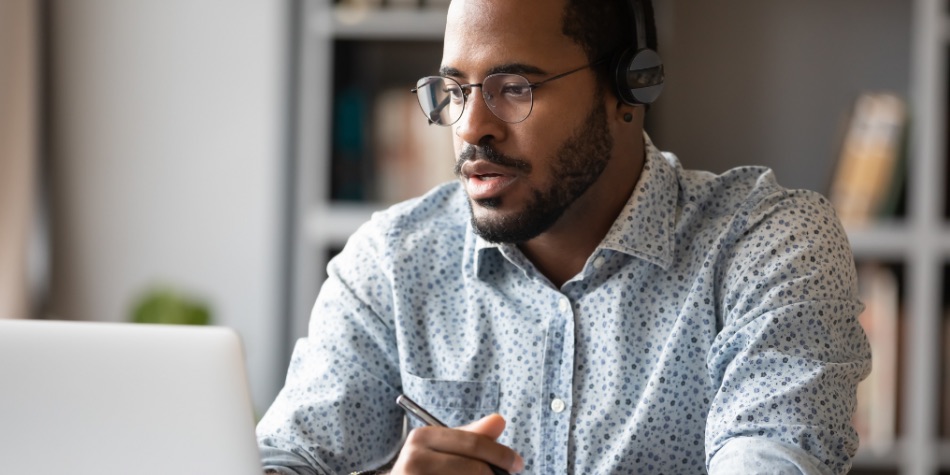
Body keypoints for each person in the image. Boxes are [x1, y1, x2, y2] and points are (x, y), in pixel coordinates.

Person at [257, 0, 871, 473]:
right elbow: (280, 460)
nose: (472, 128)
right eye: (454, 90)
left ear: (630, 89)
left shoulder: (765, 246)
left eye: (514, 88)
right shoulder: (394, 261)